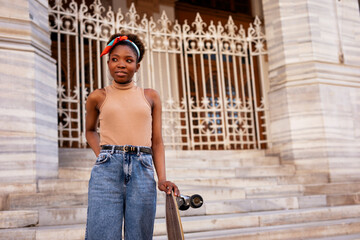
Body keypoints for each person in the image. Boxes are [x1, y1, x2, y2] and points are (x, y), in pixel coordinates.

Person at [85, 33, 180, 240]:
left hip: (142, 169)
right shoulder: (98, 96)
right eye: (115, 59)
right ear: (108, 62)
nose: (121, 64)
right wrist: (102, 155)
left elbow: (156, 141)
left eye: (128, 60)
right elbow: (90, 130)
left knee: (139, 235)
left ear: (137, 66)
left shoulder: (150, 96)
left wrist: (162, 178)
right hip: (107, 171)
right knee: (102, 234)